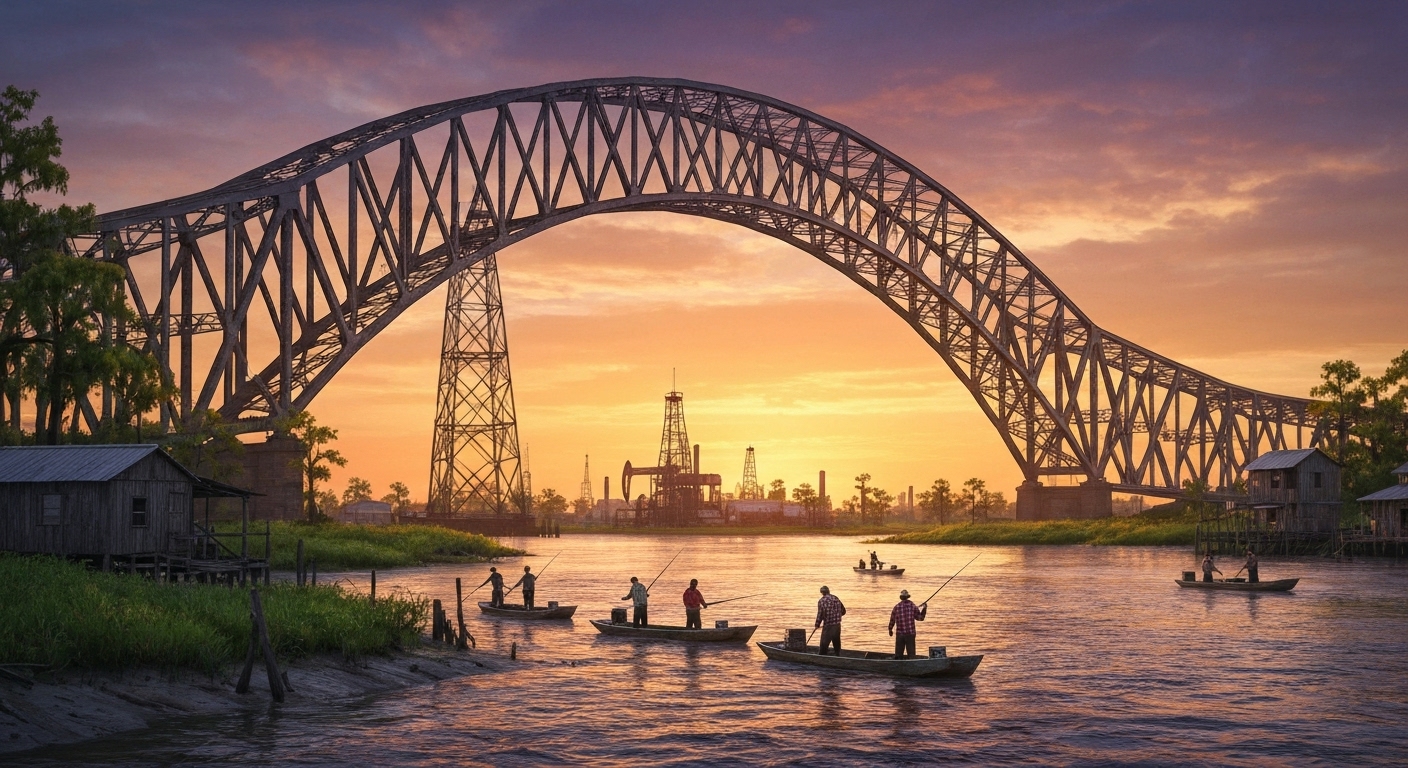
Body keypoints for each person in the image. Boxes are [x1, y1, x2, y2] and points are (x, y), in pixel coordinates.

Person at [888, 589, 927, 659]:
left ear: (901, 598)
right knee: (911, 656)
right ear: (908, 597)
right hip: (910, 634)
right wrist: (924, 609)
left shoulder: (896, 607)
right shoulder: (912, 606)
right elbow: (920, 618)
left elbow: (892, 620)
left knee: (898, 656)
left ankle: (898, 665)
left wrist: (890, 630)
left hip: (900, 634)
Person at [814, 586, 846, 656]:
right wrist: (837, 616)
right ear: (829, 591)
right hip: (837, 624)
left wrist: (817, 625)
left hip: (828, 625)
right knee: (836, 640)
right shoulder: (836, 598)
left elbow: (820, 614)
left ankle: (822, 656)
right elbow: (843, 611)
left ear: (822, 593)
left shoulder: (821, 601)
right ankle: (837, 654)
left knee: (824, 642)